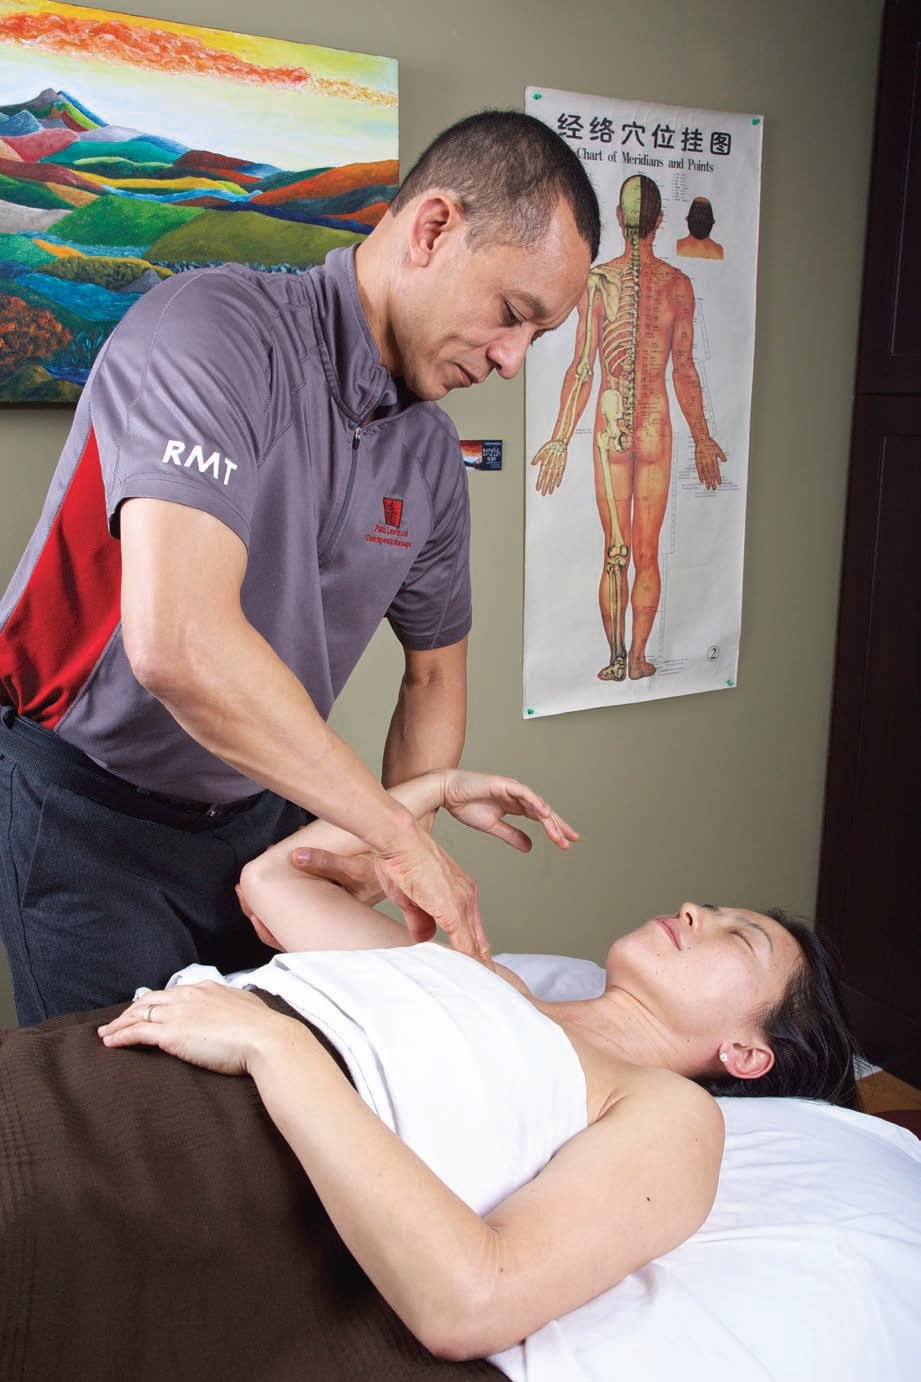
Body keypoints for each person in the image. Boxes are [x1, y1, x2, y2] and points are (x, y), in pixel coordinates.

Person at [0, 110, 600, 1024]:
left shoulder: (428, 456)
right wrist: (392, 832)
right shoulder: (210, 331)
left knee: (304, 1072)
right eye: (511, 315)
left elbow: (434, 678)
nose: (512, 361)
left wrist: (377, 848)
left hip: (259, 814)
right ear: (432, 229)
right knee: (137, 1104)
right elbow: (180, 644)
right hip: (86, 810)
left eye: (537, 336)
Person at [0, 770, 860, 1377]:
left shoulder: (667, 1113)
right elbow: (273, 883)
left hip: (173, 1162)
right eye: (712, 908)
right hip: (83, 1071)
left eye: (737, 936)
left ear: (747, 1054)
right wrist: (433, 793)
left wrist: (276, 1047)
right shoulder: (489, 981)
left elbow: (473, 1301)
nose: (694, 910)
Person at [532, 173, 725, 682]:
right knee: (644, 553)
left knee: (615, 553)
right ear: (660, 221)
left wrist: (560, 438)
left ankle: (617, 657)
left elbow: (583, 368)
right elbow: (683, 368)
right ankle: (637, 657)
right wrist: (701, 436)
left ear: (619, 219)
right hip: (655, 426)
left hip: (610, 424)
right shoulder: (677, 286)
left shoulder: (598, 282)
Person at [676, 195, 725, 260]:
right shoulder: (718, 251)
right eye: (697, 216)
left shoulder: (677, 247)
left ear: (687, 219)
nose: (700, 219)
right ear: (713, 221)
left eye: (704, 217)